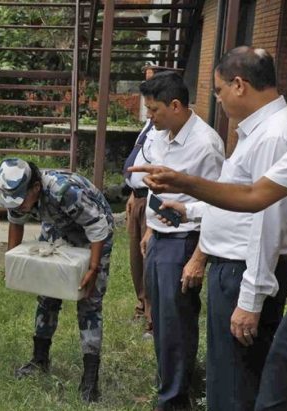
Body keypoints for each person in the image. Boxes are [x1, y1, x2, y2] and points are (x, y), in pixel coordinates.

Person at [145, 47, 287, 411]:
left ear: (239, 85)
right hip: (232, 267)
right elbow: (239, 195)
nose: (217, 100)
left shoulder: (276, 135)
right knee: (226, 378)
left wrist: (250, 300)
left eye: (218, 91)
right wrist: (189, 210)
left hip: (244, 272)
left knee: (236, 386)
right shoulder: (259, 131)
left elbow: (269, 219)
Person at [138, 72, 224, 411]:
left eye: (154, 110)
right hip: (159, 237)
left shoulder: (206, 144)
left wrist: (198, 258)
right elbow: (157, 186)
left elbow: (220, 203)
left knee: (177, 322)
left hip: (185, 241)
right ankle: (168, 384)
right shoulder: (160, 134)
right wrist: (149, 228)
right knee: (159, 318)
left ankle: (174, 400)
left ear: (176, 105)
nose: (149, 116)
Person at [0, 158, 114, 403]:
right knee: (47, 295)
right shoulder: (16, 191)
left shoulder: (63, 191)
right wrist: (13, 261)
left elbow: (97, 225)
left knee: (89, 302)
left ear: (35, 188)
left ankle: (90, 379)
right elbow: (16, 223)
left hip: (93, 233)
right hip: (57, 228)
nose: (17, 206)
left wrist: (93, 268)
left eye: (21, 200)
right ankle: (39, 360)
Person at [122, 65, 180, 335]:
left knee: (151, 263)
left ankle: (152, 319)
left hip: (153, 201)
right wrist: (132, 194)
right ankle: (141, 305)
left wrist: (151, 210)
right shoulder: (151, 123)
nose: (149, 111)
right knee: (137, 259)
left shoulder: (167, 127)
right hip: (138, 198)